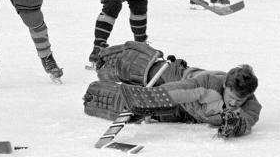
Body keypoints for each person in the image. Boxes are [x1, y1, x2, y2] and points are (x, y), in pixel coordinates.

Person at [90, 42, 262, 138]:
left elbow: (247, 121)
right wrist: (152, 97)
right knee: (142, 69)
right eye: (231, 97)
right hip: (178, 77)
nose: (233, 103)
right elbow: (183, 90)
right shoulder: (209, 83)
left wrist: (236, 126)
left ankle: (101, 96)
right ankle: (109, 64)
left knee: (141, 111)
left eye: (239, 101)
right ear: (225, 85)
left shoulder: (251, 106)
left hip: (188, 112)